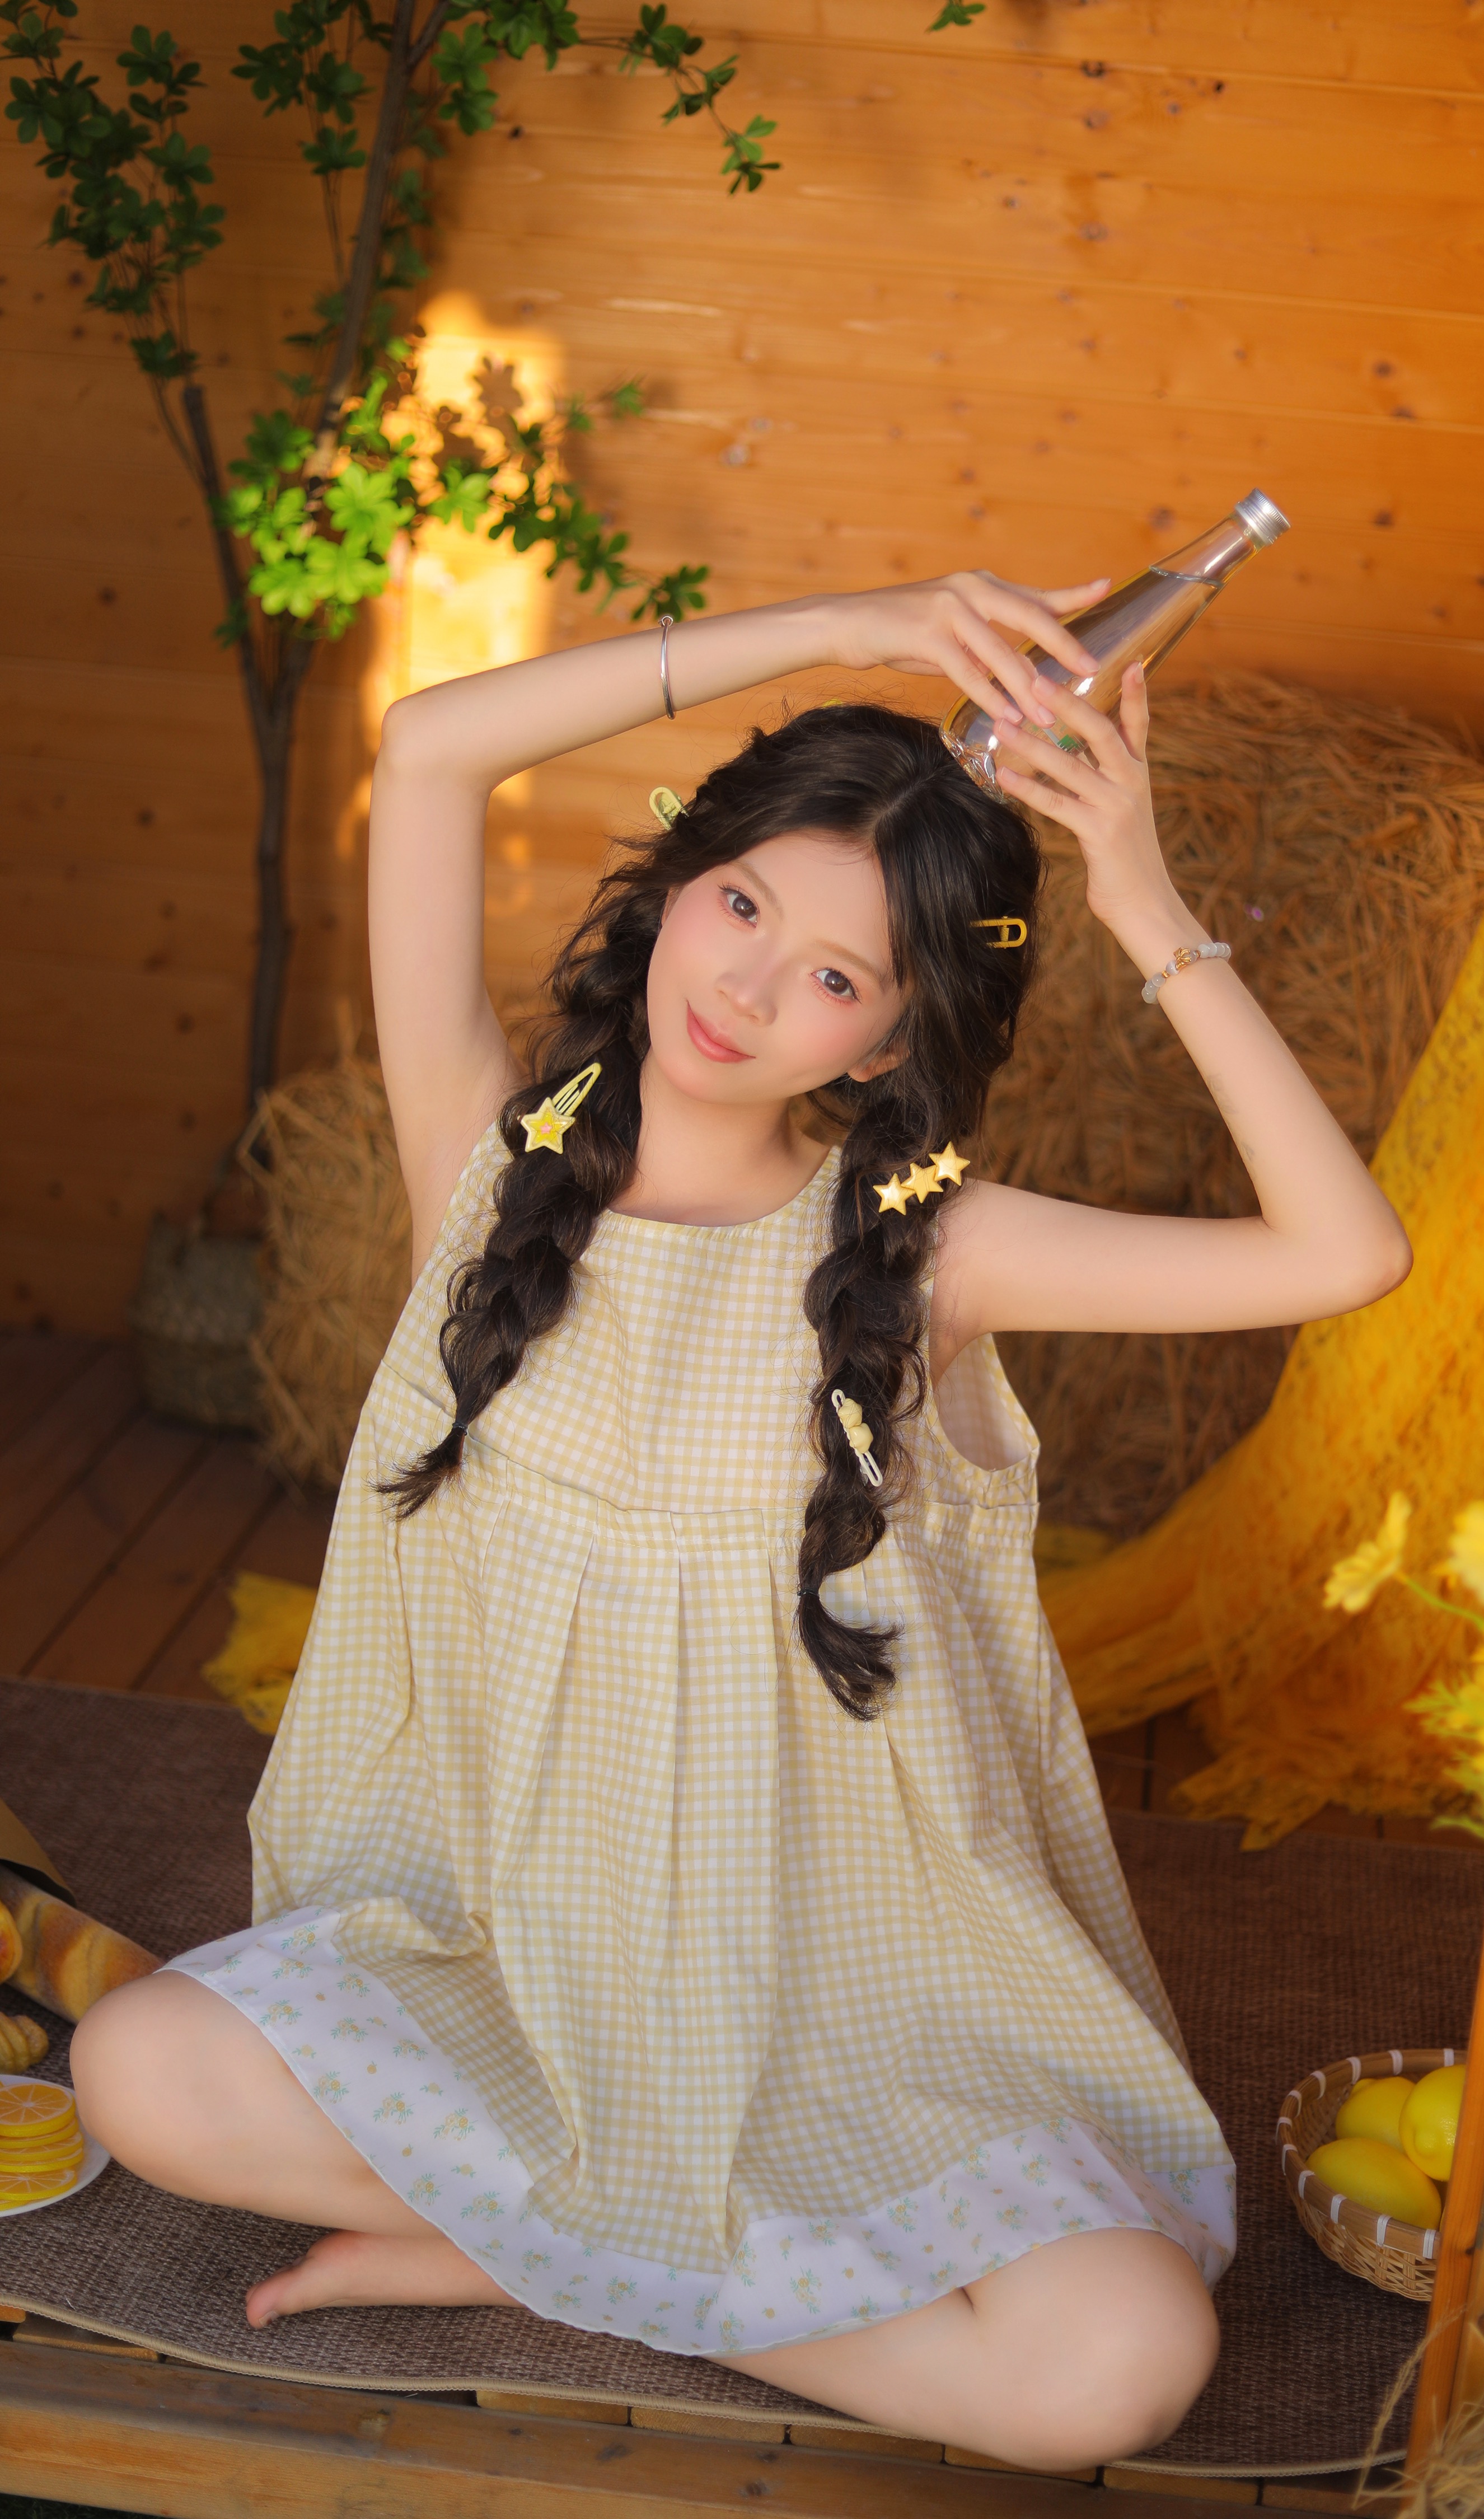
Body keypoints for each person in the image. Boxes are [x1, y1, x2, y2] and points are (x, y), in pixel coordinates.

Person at [72, 573, 1410, 2470]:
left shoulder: (925, 1254)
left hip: (855, 2012)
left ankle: (529, 2253)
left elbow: (1345, 1253)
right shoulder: (489, 1161)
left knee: (1114, 2365)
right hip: (517, 1968)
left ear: (880, 1047)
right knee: (138, 2071)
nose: (751, 987)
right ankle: (624, 2249)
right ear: (678, 880)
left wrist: (1141, 898)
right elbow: (431, 750)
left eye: (839, 978)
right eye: (746, 902)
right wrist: (847, 623)